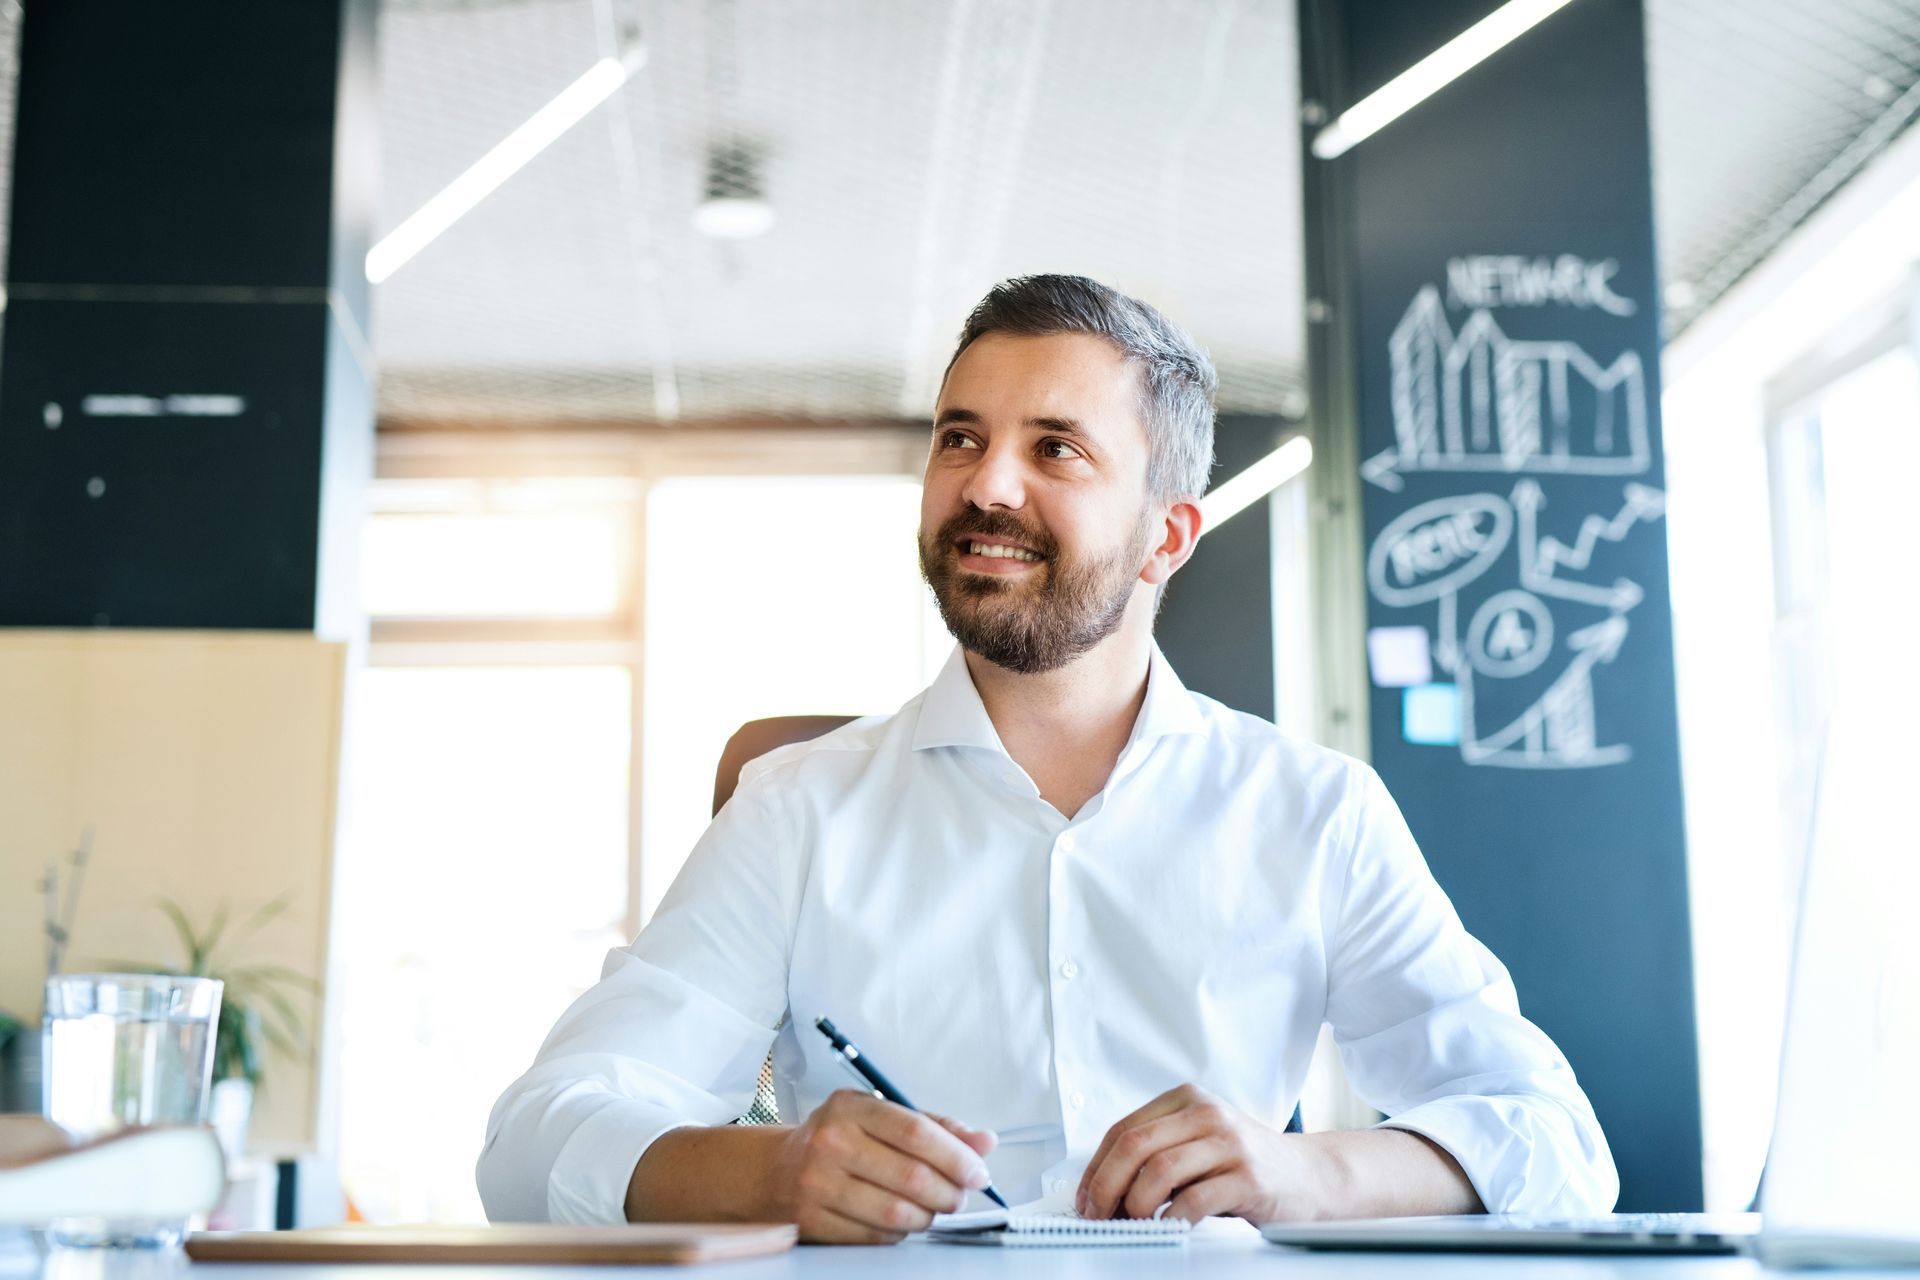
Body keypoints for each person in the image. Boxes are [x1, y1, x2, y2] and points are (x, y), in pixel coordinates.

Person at [477, 274, 1618, 1241]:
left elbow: (1560, 1143)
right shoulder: (797, 810)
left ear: (1167, 535)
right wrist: (775, 1172)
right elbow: (532, 1144)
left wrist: (1304, 1173)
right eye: (960, 437)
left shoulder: (1311, 810)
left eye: (1054, 448)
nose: (987, 484)